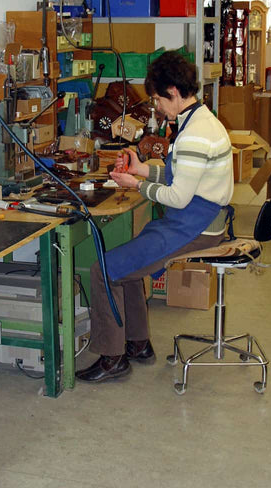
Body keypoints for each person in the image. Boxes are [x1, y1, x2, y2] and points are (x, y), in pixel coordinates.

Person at [76, 51, 234, 383]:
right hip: (201, 219)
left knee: (103, 269)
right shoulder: (200, 120)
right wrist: (142, 169)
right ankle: (137, 343)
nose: (157, 108)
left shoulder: (195, 134)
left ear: (174, 93)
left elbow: (178, 195)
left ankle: (112, 356)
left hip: (196, 226)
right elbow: (184, 176)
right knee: (127, 265)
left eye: (158, 100)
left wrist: (137, 184)